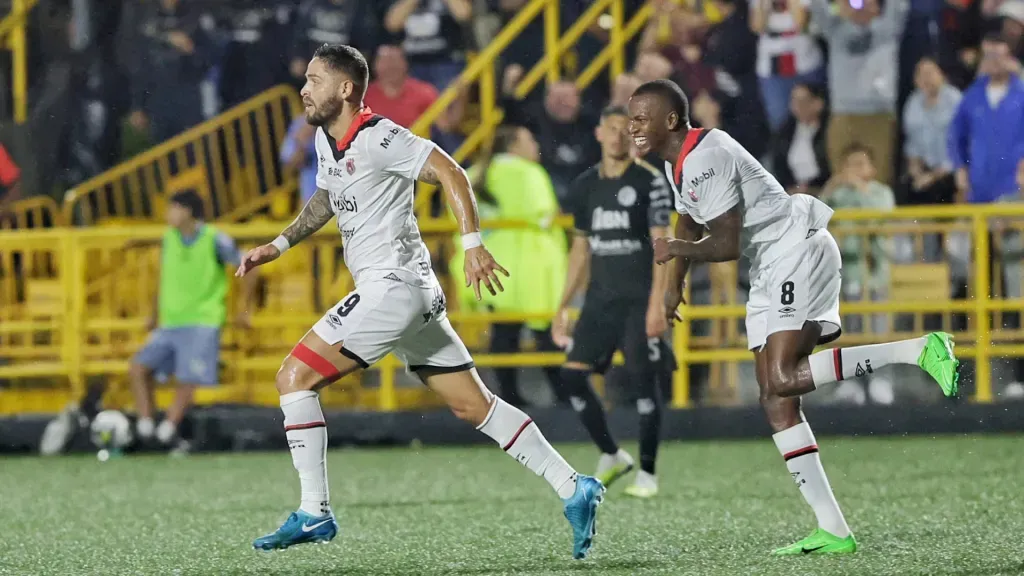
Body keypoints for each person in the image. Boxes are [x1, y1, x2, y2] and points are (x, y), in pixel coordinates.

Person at [237, 44, 604, 558]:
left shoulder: (380, 136)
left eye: (315, 80)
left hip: (392, 289)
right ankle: (574, 486)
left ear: (345, 88)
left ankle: (315, 511)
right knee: (473, 405)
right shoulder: (326, 138)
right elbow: (327, 194)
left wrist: (472, 244)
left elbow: (451, 170)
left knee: (293, 378)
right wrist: (278, 245)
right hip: (413, 294)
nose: (304, 89)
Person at [627, 79, 960, 555]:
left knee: (782, 378)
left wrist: (675, 250)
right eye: (631, 117)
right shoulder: (676, 162)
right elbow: (688, 217)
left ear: (671, 120)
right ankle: (833, 530)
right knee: (775, 399)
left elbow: (724, 243)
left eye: (641, 117)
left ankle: (920, 349)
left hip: (795, 249)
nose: (632, 126)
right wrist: (672, 285)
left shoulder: (706, 156)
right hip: (769, 263)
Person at [552, 106, 676, 498]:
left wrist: (658, 303)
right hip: (600, 301)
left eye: (626, 129)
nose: (618, 135)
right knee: (572, 376)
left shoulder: (650, 182)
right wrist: (563, 305)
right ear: (599, 133)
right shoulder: (585, 185)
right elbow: (580, 249)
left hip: (639, 301)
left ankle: (649, 474)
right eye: (612, 128)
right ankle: (612, 454)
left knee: (643, 384)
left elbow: (662, 245)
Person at [450, 125, 567, 407]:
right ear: (514, 145)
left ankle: (509, 399)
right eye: (529, 139)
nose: (535, 144)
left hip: (491, 265)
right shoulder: (529, 173)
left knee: (504, 334)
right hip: (531, 266)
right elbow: (545, 216)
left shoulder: (474, 173)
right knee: (545, 333)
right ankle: (564, 399)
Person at [131, 190, 258, 448]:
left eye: (173, 208)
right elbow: (163, 278)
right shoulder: (169, 239)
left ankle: (168, 429)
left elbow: (249, 266)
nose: (168, 214)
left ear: (188, 211)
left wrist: (244, 309)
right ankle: (146, 425)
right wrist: (153, 314)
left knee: (189, 377)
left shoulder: (214, 239)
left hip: (203, 321)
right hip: (171, 321)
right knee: (138, 368)